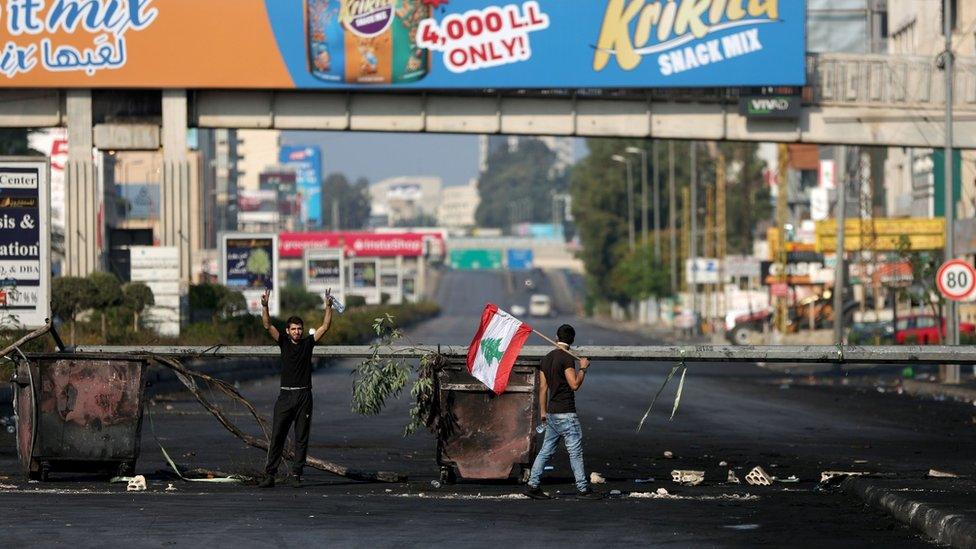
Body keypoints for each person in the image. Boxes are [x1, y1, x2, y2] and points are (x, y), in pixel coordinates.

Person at [258, 288, 333, 488]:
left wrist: (328, 307)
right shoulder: (283, 342)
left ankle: (296, 475)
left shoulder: (308, 343)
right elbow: (267, 325)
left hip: (304, 395)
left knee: (301, 437)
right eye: (293, 329)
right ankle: (270, 475)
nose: (297, 332)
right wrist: (265, 306)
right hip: (285, 396)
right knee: (277, 436)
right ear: (288, 331)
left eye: (299, 328)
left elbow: (325, 327)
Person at [525, 324, 601, 500]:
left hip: (551, 413)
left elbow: (543, 389)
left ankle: (532, 485)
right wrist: (583, 368)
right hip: (567, 413)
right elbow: (574, 384)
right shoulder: (566, 358)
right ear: (572, 340)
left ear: (556, 337)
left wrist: (543, 413)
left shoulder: (546, 359)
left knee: (545, 451)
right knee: (575, 452)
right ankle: (583, 489)